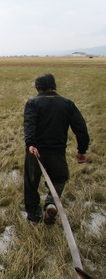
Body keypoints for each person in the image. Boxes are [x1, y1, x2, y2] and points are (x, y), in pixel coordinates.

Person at [23, 73, 90, 225]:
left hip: (36, 151)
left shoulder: (33, 103)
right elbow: (81, 128)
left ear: (37, 87)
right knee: (59, 179)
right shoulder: (67, 103)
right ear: (53, 86)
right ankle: (51, 203)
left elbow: (29, 124)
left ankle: (34, 218)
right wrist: (82, 150)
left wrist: (30, 144)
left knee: (31, 184)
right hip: (57, 151)